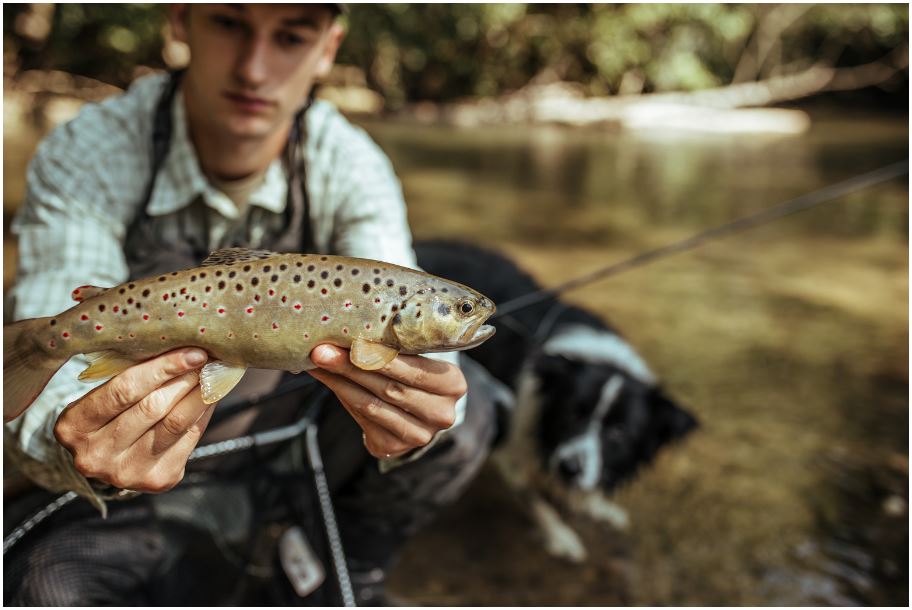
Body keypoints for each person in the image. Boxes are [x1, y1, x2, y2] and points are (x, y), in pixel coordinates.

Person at [4, 4, 503, 605]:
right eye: (230, 23)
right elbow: (48, 346)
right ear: (180, 22)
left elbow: (397, 302)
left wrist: (412, 422)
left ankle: (329, 562)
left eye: (290, 35)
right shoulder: (91, 152)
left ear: (327, 47)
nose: (254, 68)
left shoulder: (350, 165)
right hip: (140, 451)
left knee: (465, 406)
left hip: (281, 432)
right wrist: (74, 440)